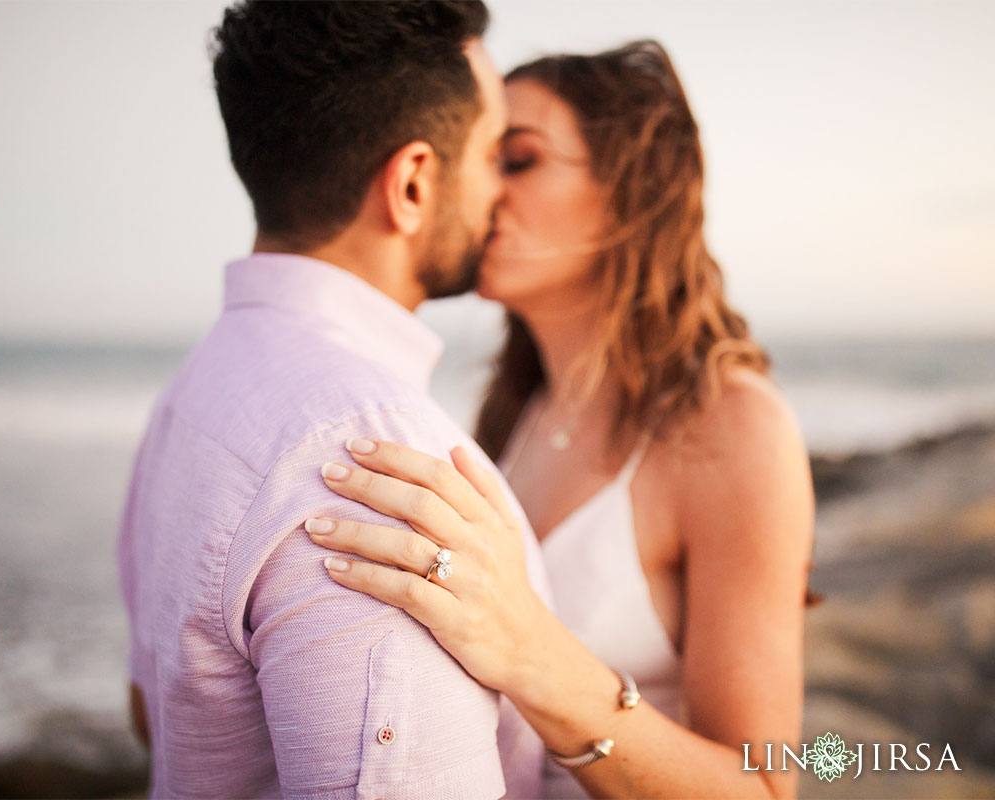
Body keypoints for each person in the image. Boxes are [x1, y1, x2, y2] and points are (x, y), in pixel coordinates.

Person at [307, 40, 813, 798]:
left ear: (631, 189)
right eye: (478, 160)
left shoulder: (734, 431)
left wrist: (531, 652)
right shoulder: (513, 413)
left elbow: (765, 790)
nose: (479, 190)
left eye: (517, 159)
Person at [116, 2, 554, 797]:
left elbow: (153, 714)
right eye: (495, 154)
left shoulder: (190, 394)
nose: (502, 192)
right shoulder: (382, 467)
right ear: (414, 183)